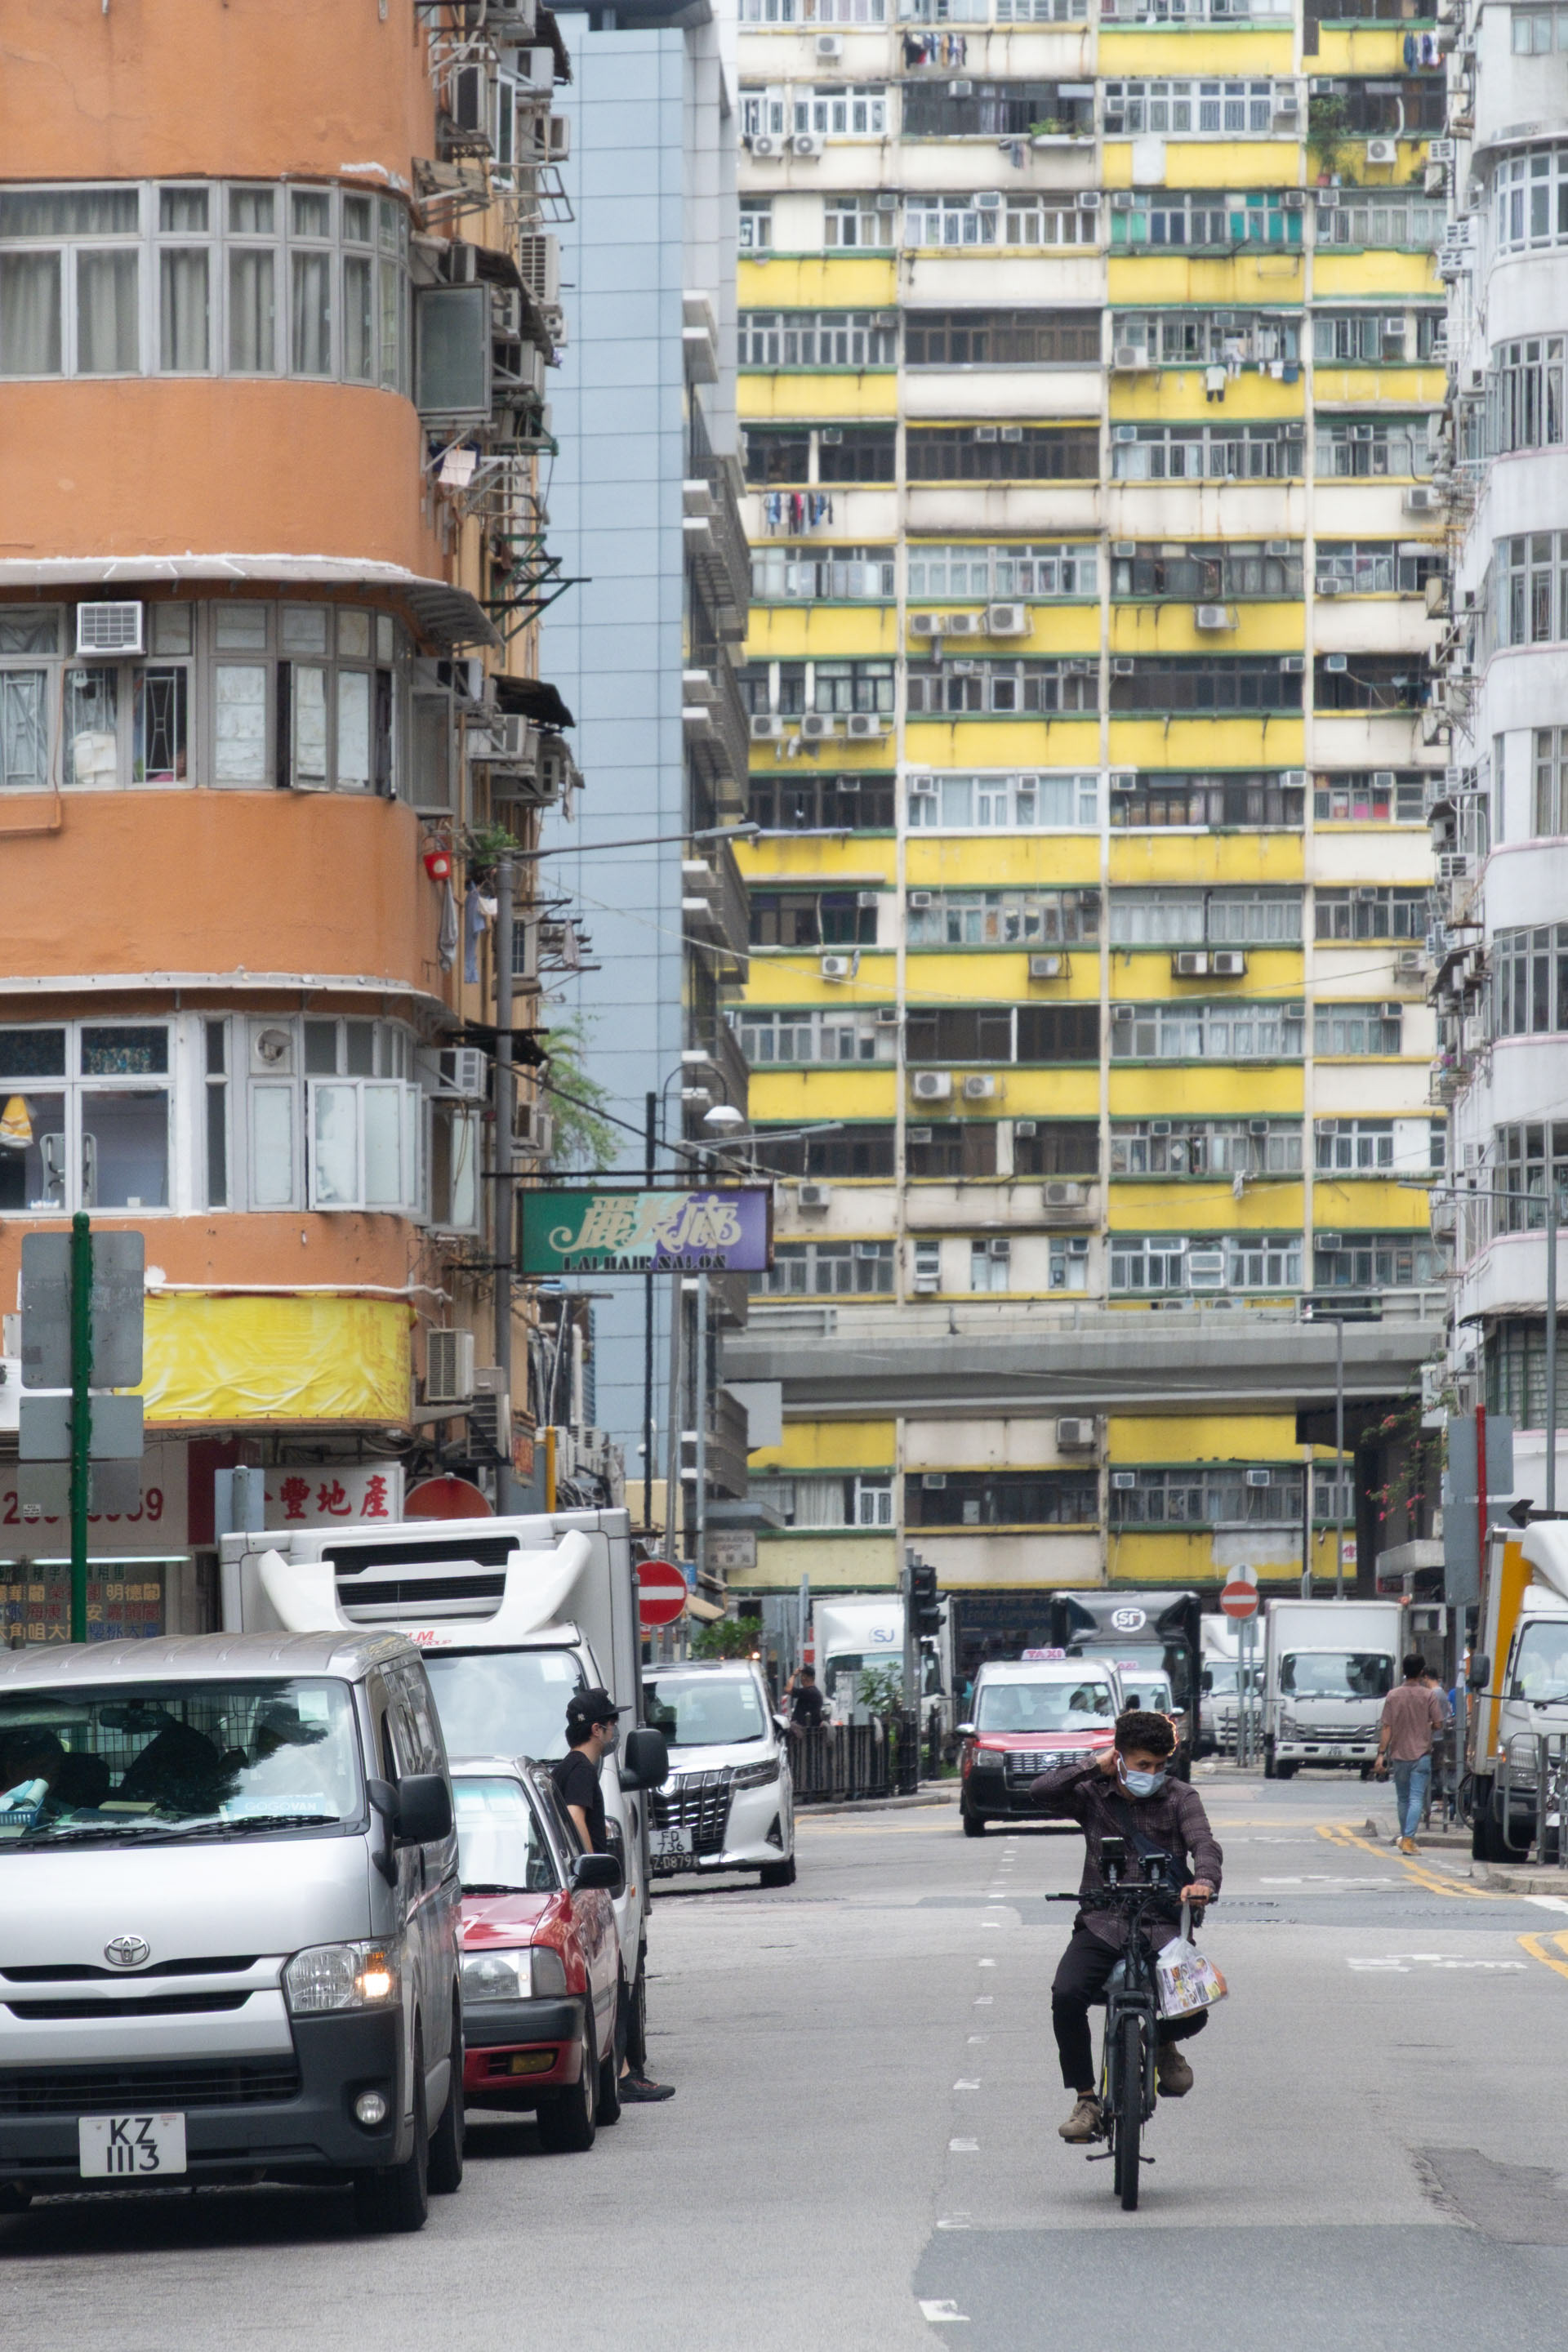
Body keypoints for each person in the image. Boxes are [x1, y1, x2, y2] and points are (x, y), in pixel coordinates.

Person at [1031, 1708, 1223, 2145]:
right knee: (1066, 1995)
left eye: (1160, 1766)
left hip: (1162, 1923)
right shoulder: (1093, 1793)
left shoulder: (1181, 1797)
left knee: (1194, 2005)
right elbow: (1040, 1792)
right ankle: (1086, 2100)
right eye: (1142, 1765)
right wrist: (1091, 1766)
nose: (1152, 1774)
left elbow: (1205, 1844)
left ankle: (1164, 2045)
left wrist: (1203, 1883)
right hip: (1101, 1921)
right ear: (1119, 1757)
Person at [550, 1686, 675, 2107]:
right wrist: (592, 1864)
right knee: (612, 1978)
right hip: (588, 1888)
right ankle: (622, 2075)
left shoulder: (567, 1767)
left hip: (581, 1886)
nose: (616, 1731)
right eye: (612, 1724)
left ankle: (620, 2070)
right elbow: (574, 1816)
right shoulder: (583, 1770)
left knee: (608, 1980)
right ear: (597, 1729)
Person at [1376, 1651, 1447, 1854]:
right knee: (1416, 1798)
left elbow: (1387, 1727)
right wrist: (1428, 1727)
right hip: (1422, 1754)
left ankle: (1404, 1836)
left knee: (1403, 1798)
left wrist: (1381, 1754)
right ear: (1422, 1672)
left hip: (1399, 1755)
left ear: (1403, 1671)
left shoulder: (1393, 1695)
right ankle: (1408, 1838)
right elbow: (1439, 1723)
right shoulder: (1428, 1695)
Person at [786, 1665, 826, 1737]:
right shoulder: (816, 1692)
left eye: (802, 1676)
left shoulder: (808, 1692)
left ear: (804, 1677)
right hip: (811, 1731)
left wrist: (794, 1675)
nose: (801, 1678)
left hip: (804, 1733)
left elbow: (788, 1689)